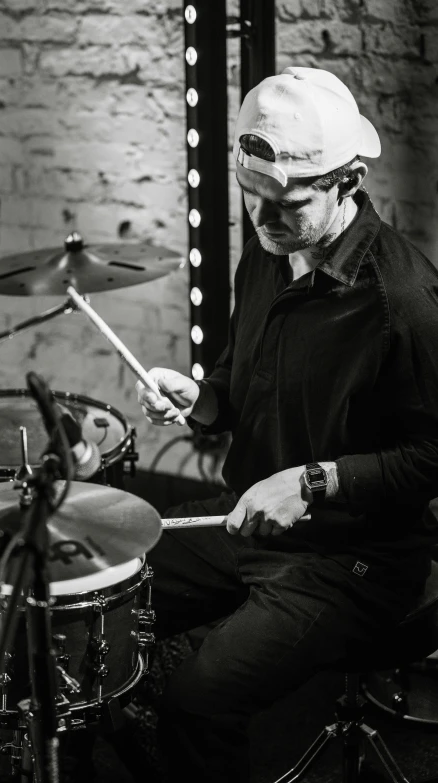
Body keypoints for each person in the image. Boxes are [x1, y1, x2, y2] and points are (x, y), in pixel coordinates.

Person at [135, 66, 438, 782]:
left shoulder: (405, 299)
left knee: (198, 701)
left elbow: (433, 454)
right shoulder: (267, 249)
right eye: (253, 198)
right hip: (244, 523)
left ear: (348, 179)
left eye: (289, 204)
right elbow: (244, 382)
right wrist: (200, 398)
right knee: (112, 581)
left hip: (354, 558)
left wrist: (312, 481)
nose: (266, 220)